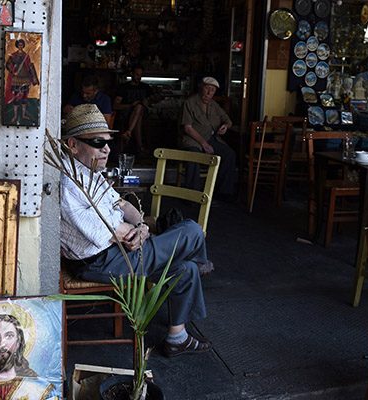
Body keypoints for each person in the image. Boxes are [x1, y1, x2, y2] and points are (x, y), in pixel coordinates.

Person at [59, 104, 214, 358]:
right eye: (98, 142)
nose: (107, 148)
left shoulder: (89, 173)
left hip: (117, 252)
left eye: (109, 141)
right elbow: (115, 233)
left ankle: (177, 338)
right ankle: (200, 260)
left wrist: (141, 226)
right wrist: (136, 232)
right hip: (102, 261)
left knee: (184, 269)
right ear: (73, 144)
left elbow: (124, 205)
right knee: (192, 230)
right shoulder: (69, 184)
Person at [180, 76, 236, 197]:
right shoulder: (189, 103)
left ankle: (222, 193)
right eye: (207, 88)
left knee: (229, 154)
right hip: (193, 140)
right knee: (194, 156)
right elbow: (187, 128)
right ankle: (192, 195)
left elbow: (228, 120)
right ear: (201, 87)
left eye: (212, 90)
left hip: (211, 139)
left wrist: (226, 126)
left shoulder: (213, 105)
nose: (209, 92)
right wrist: (204, 144)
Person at [113, 65, 154, 153]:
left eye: (140, 75)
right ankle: (140, 146)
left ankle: (128, 132)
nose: (139, 77)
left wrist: (148, 102)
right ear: (131, 74)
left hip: (143, 114)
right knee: (138, 111)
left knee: (139, 108)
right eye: (136, 75)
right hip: (126, 114)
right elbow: (115, 106)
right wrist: (131, 105)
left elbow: (155, 99)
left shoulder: (145, 87)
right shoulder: (124, 87)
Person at [5, 39, 39, 124]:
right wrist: (13, 72)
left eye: (21, 45)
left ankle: (23, 115)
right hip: (17, 78)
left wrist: (34, 77)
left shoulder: (26, 55)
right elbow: (8, 65)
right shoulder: (13, 55)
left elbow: (29, 66)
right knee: (16, 96)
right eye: (19, 44)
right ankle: (15, 115)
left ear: (23, 45)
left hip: (25, 78)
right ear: (17, 45)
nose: (20, 46)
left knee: (25, 97)